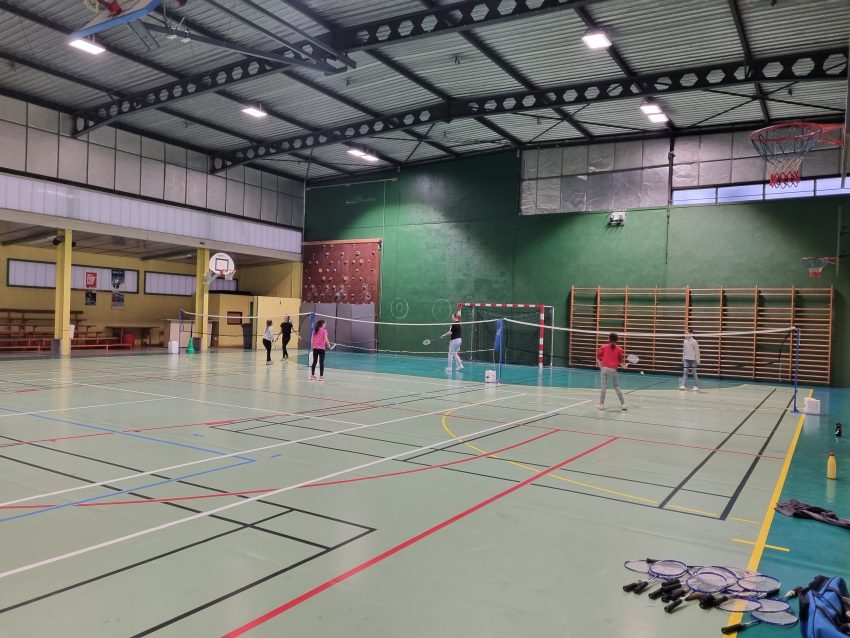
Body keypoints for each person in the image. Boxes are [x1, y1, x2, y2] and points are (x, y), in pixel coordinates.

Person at [596, 332, 626, 411]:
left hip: (604, 369)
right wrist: (624, 366)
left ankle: (601, 405)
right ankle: (623, 404)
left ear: (609, 339)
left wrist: (601, 366)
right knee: (616, 387)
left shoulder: (603, 346)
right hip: (613, 370)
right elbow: (621, 362)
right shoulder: (620, 349)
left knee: (603, 386)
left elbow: (597, 358)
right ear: (617, 340)